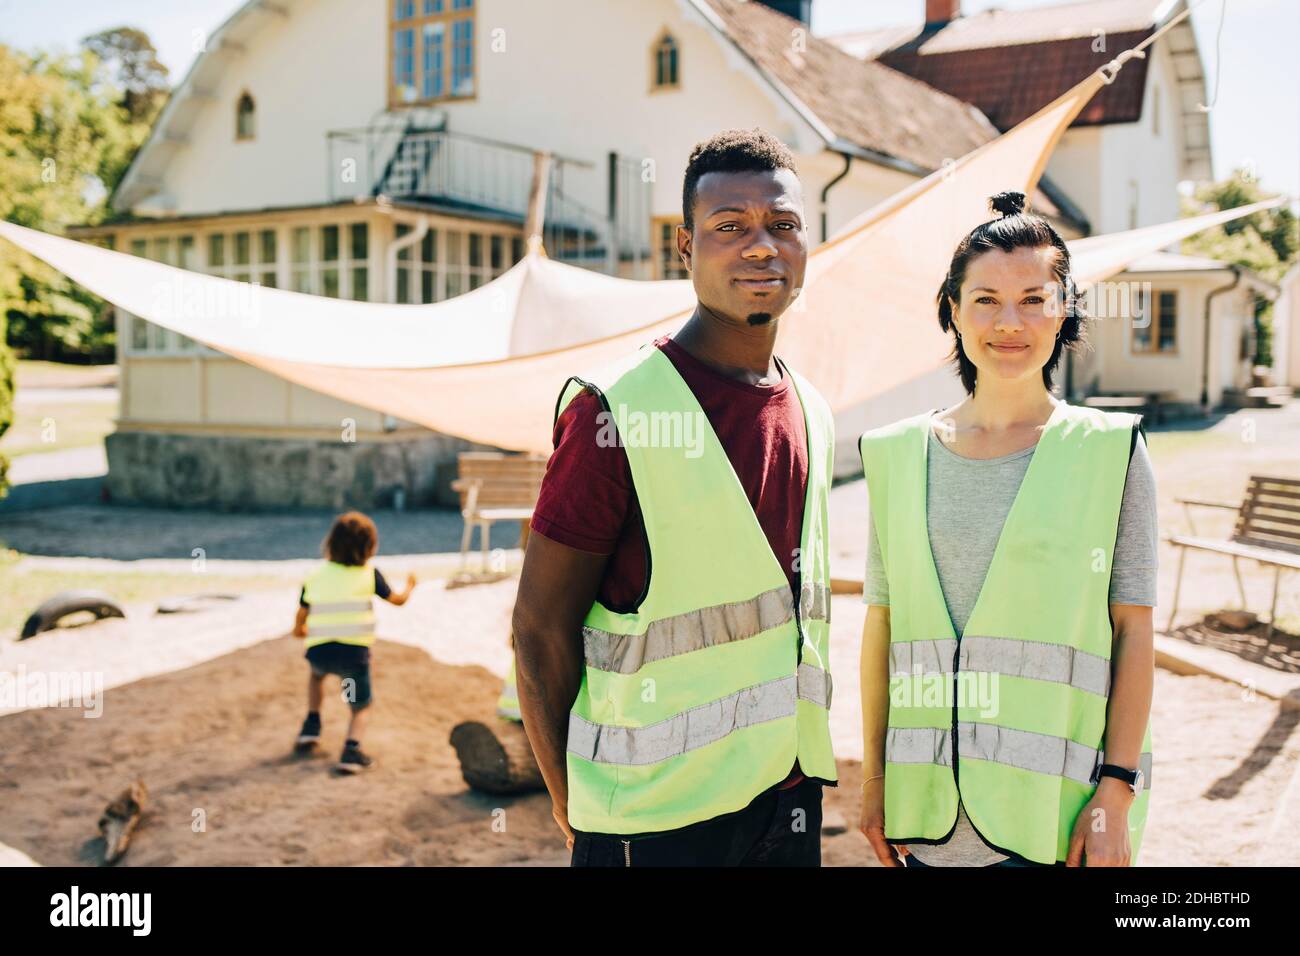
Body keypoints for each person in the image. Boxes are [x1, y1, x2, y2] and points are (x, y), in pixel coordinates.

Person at [511, 128, 837, 867]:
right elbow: (538, 628)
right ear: (684, 250)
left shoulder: (811, 407)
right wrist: (572, 801)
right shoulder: (615, 410)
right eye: (730, 227)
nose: (761, 246)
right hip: (653, 822)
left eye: (782, 224)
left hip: (785, 799)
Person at [858, 191, 1157, 867]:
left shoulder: (1112, 452)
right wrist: (875, 777)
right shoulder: (894, 454)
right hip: (925, 818)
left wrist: (1117, 792)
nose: (1010, 321)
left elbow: (1134, 632)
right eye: (986, 298)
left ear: (1064, 309)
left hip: (1053, 817)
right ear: (953, 311)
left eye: (1034, 297)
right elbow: (882, 627)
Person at [291, 510, 416, 773]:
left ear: (331, 543)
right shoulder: (370, 575)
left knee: (316, 678)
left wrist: (299, 629)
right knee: (361, 705)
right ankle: (351, 750)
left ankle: (311, 725)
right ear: (370, 546)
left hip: (320, 650)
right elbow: (397, 601)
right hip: (354, 653)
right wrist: (411, 586)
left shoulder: (316, 575)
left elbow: (302, 610)